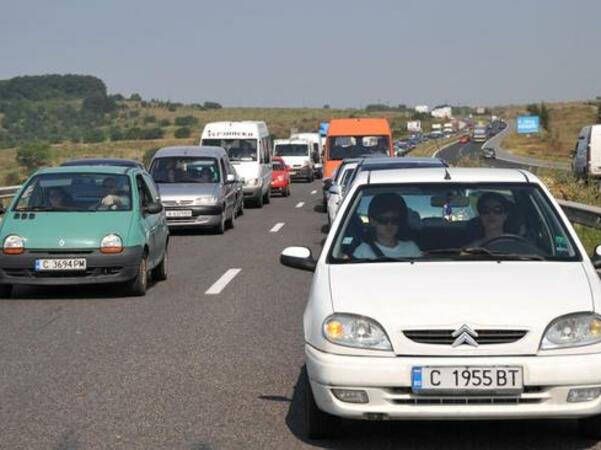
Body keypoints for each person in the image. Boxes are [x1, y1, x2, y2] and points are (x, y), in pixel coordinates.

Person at [353, 193, 422, 259]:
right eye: (383, 220)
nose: (389, 225)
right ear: (373, 222)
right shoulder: (362, 252)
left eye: (394, 220)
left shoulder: (411, 248)